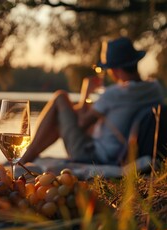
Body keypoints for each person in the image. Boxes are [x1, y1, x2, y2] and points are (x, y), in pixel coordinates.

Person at [17, 36, 164, 166]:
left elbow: (81, 123)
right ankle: (28, 156)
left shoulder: (115, 94)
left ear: (114, 69)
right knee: (63, 116)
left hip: (93, 156)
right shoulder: (155, 88)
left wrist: (85, 93)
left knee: (61, 97)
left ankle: (25, 159)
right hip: (119, 150)